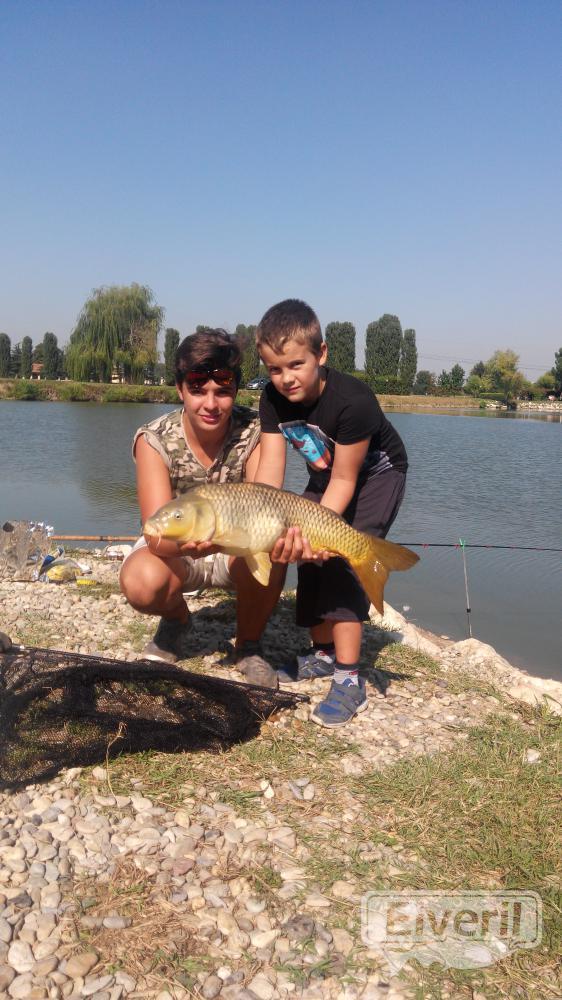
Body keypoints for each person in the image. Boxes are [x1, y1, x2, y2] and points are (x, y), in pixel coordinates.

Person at [253, 299, 409, 726]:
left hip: (377, 475)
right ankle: (323, 653)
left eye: (296, 364)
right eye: (275, 369)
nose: (286, 378)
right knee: (306, 558)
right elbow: (270, 471)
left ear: (321, 354)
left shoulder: (353, 401)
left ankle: (349, 679)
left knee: (340, 561)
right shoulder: (272, 399)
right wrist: (262, 522)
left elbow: (345, 479)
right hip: (328, 475)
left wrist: (321, 532)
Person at [119, 328, 286, 688]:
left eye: (222, 392)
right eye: (198, 390)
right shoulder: (154, 438)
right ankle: (177, 619)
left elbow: (266, 509)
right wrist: (190, 547)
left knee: (273, 547)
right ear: (180, 389)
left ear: (235, 391)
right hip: (177, 549)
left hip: (236, 546)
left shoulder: (256, 432)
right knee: (140, 581)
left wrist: (232, 541)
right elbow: (155, 533)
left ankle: (249, 644)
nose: (211, 404)